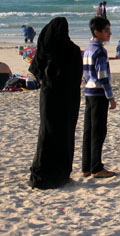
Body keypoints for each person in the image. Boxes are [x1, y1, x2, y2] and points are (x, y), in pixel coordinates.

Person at [28, 17, 83, 189]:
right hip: (68, 99)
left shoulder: (45, 50)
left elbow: (35, 71)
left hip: (49, 97)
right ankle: (62, 174)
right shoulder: (72, 50)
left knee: (47, 133)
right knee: (65, 134)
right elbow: (77, 76)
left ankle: (42, 173)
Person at [82, 16, 118, 179]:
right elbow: (103, 77)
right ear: (97, 32)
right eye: (106, 31)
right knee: (98, 131)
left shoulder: (88, 49)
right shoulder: (100, 51)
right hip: (98, 93)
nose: (109, 34)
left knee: (88, 130)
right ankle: (96, 167)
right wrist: (110, 97)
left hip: (89, 92)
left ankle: (86, 166)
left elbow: (85, 74)